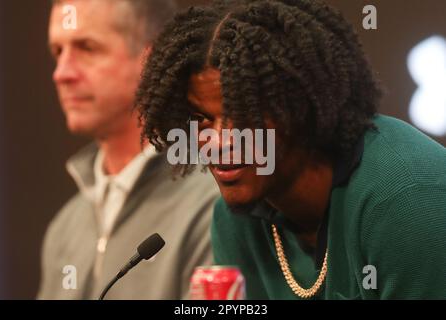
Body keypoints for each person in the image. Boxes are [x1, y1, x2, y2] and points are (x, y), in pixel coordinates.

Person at [135, 0, 446, 299]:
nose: (219, 141)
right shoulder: (235, 222)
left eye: (244, 115)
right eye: (200, 119)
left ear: (301, 108)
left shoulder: (406, 199)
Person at [38, 0, 219, 300]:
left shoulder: (214, 206)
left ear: (150, 59)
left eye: (86, 48)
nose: (62, 73)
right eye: (58, 52)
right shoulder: (65, 227)